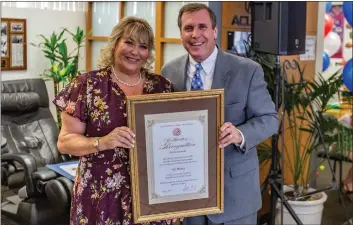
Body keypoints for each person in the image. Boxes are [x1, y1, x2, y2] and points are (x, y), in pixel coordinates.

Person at [161, 3, 278, 225]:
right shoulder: (169, 72)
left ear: (214, 31)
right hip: (188, 196)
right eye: (188, 28)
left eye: (202, 27)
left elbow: (269, 120)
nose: (195, 34)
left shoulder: (247, 70)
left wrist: (239, 134)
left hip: (235, 197)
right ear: (181, 34)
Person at [53, 16, 173, 225]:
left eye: (143, 46)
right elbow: (65, 142)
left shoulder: (162, 87)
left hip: (150, 194)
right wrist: (103, 142)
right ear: (115, 43)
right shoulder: (88, 85)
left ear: (148, 53)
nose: (135, 52)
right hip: (100, 195)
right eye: (128, 42)